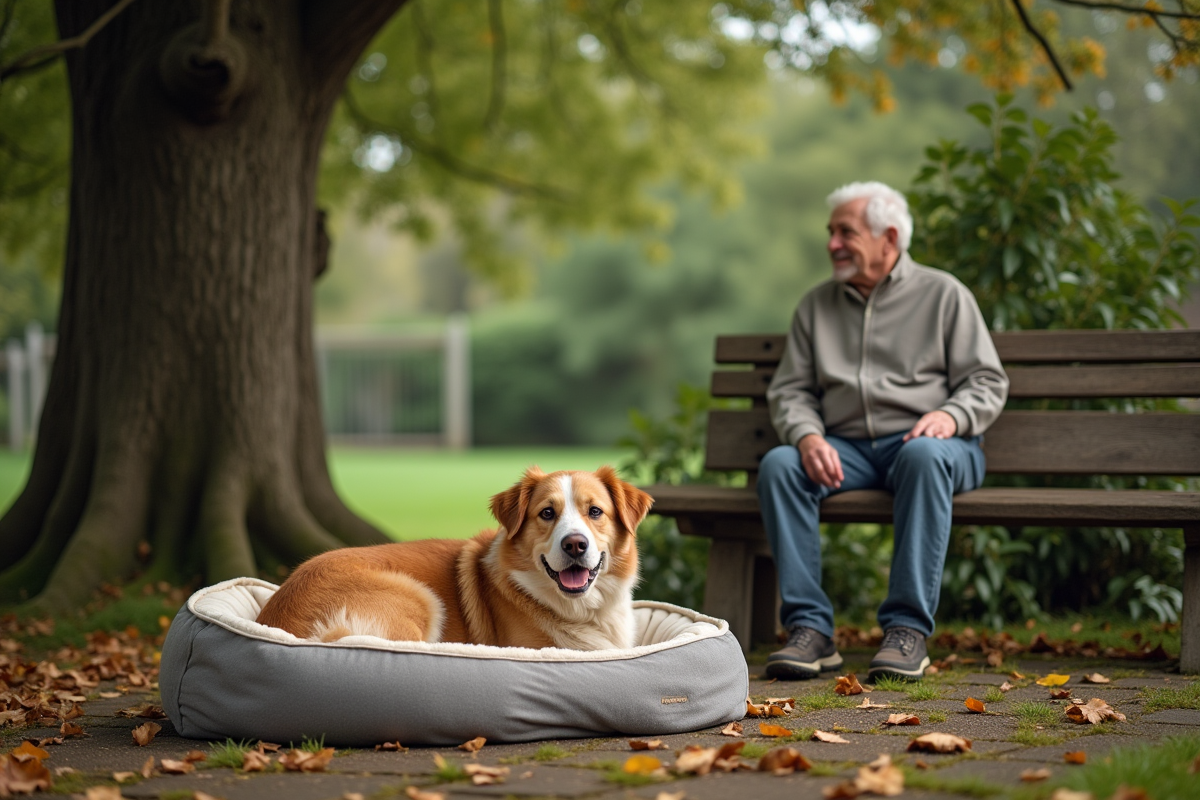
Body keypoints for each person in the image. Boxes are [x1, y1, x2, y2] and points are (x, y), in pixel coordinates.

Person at [760, 181, 1008, 681]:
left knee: (923, 457)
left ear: (888, 238)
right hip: (845, 449)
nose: (831, 243)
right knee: (780, 465)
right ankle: (810, 630)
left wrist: (951, 417)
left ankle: (906, 630)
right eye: (831, 232)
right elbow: (790, 391)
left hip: (931, 446)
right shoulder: (815, 306)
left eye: (845, 232)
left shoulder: (944, 295)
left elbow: (987, 380)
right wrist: (808, 436)